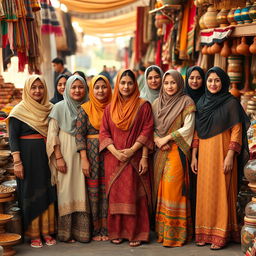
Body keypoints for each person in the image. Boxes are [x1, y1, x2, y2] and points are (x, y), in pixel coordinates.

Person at [191, 67, 250, 250]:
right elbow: (196, 131)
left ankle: (220, 235)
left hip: (223, 154)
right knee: (204, 194)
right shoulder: (201, 102)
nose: (213, 84)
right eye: (210, 80)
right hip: (205, 155)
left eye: (217, 80)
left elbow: (237, 130)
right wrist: (194, 156)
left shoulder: (231, 103)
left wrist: (231, 155)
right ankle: (203, 233)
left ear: (223, 82)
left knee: (222, 193)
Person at [99, 69, 154, 247]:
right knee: (116, 196)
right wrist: (115, 151)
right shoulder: (109, 108)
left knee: (135, 196)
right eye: (122, 83)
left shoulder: (143, 105)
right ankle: (117, 232)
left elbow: (147, 130)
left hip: (135, 157)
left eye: (130, 83)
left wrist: (135, 152)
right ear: (117, 85)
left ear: (135, 84)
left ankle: (136, 233)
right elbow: (104, 132)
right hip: (113, 159)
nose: (126, 86)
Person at [7, 75, 56, 248]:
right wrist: (17, 162)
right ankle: (34, 234)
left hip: (45, 157)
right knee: (30, 193)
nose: (37, 91)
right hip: (27, 159)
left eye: (40, 87)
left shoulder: (50, 108)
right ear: (27, 89)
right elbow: (13, 138)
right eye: (33, 87)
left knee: (48, 191)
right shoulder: (19, 111)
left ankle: (47, 231)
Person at [153, 69, 196, 247]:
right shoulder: (156, 103)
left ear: (179, 83)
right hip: (159, 151)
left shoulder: (186, 102)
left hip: (176, 152)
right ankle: (163, 233)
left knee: (174, 191)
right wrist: (157, 140)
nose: (170, 86)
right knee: (161, 189)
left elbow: (188, 129)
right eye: (167, 83)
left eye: (173, 83)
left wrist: (167, 138)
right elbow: (151, 126)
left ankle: (176, 234)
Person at [47, 75, 90, 243]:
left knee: (82, 190)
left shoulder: (88, 107)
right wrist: (58, 158)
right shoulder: (58, 108)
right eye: (74, 87)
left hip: (84, 156)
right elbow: (52, 135)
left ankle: (82, 233)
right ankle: (65, 233)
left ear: (85, 89)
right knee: (65, 191)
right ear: (67, 89)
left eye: (80, 87)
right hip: (65, 154)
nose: (77, 90)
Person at [75, 75, 112, 241]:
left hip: (110, 153)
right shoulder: (85, 108)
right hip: (91, 155)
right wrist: (84, 158)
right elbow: (80, 135)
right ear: (91, 90)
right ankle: (96, 229)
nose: (100, 90)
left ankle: (108, 228)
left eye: (104, 87)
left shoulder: (113, 107)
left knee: (108, 190)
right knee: (93, 191)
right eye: (97, 87)